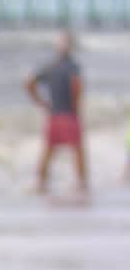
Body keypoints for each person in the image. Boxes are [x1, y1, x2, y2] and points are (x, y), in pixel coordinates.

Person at [25, 31, 88, 200]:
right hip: (68, 114)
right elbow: (76, 87)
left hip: (53, 115)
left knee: (48, 150)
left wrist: (41, 103)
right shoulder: (73, 67)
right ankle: (81, 184)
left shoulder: (51, 67)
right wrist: (77, 110)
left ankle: (40, 183)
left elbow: (28, 82)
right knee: (77, 150)